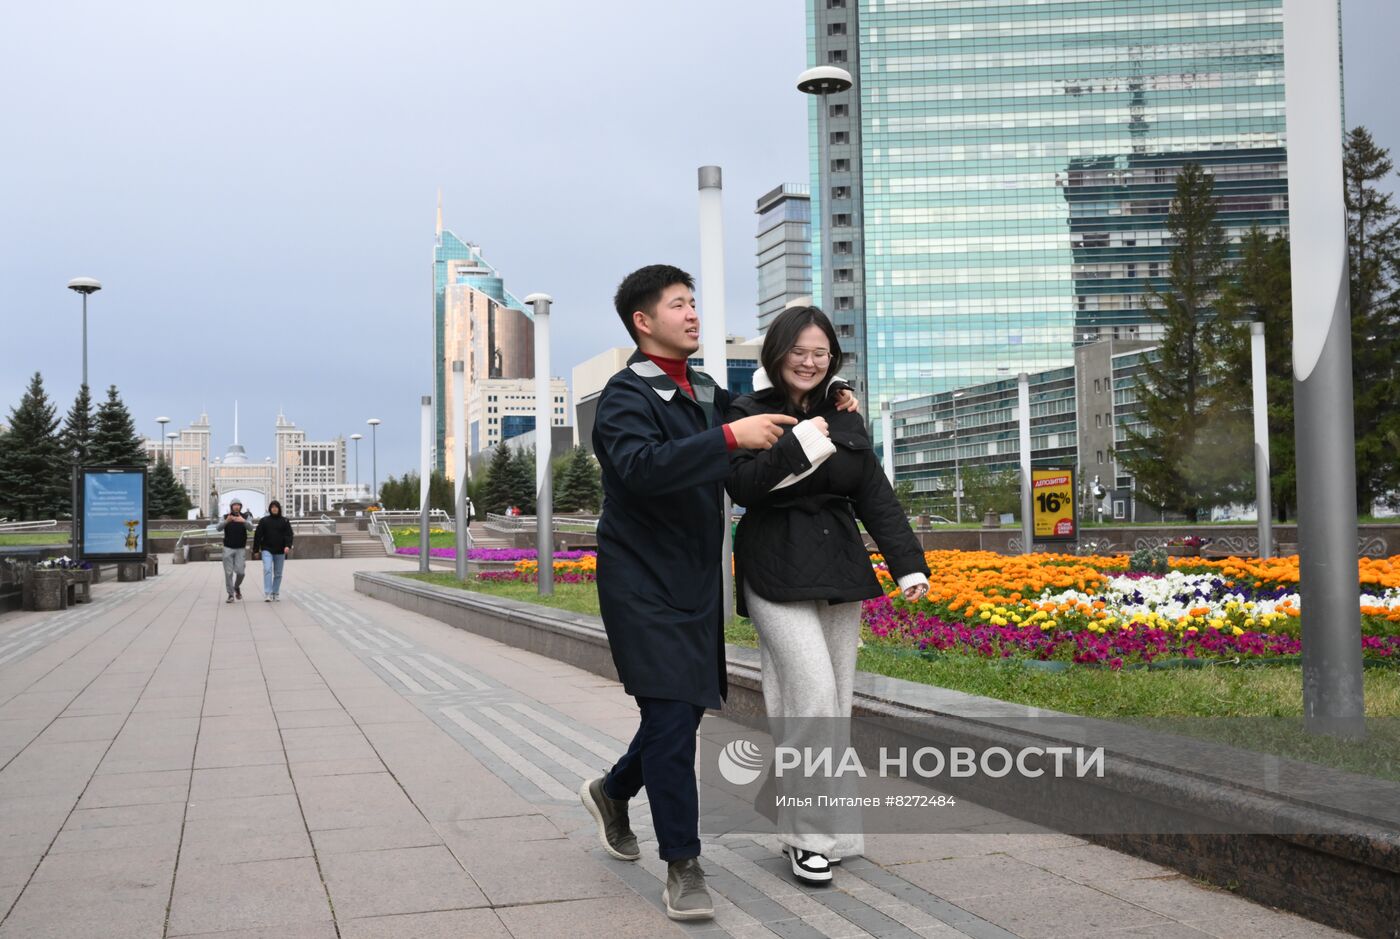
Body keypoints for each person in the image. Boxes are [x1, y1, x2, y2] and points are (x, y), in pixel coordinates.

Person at [577, 265, 857, 922]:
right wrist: (728, 436)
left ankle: (614, 791)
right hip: (641, 582)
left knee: (682, 715)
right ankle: (683, 862)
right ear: (644, 322)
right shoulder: (623, 397)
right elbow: (642, 469)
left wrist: (835, 397)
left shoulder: (703, 388)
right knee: (674, 720)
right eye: (679, 305)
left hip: (698, 579)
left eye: (694, 302)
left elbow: (766, 420)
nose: (694, 314)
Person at [725, 305, 929, 885]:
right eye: (800, 351)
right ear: (778, 353)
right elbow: (741, 485)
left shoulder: (846, 417)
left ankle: (828, 828)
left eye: (821, 353)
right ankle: (806, 838)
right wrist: (802, 443)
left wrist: (908, 567)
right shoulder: (748, 411)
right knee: (810, 695)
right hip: (773, 566)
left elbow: (874, 495)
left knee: (831, 703)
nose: (810, 362)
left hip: (839, 568)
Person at [253, 499, 294, 601]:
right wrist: (256, 550)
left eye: (276, 507)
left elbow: (289, 535)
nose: (274, 509)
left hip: (280, 550)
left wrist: (287, 546)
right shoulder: (264, 521)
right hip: (267, 549)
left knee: (278, 573)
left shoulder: (285, 521)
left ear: (279, 509)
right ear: (270, 509)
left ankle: (275, 592)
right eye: (272, 507)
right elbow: (258, 535)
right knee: (267, 569)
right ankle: (268, 593)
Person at [217, 501, 254, 603]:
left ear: (240, 507)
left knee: (241, 572)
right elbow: (218, 528)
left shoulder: (246, 516)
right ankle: (230, 594)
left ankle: (236, 586)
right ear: (231, 506)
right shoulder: (225, 516)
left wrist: (243, 521)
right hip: (228, 548)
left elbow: (251, 528)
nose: (236, 507)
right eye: (234, 505)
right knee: (228, 573)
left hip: (240, 549)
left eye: (238, 505)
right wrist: (226, 521)